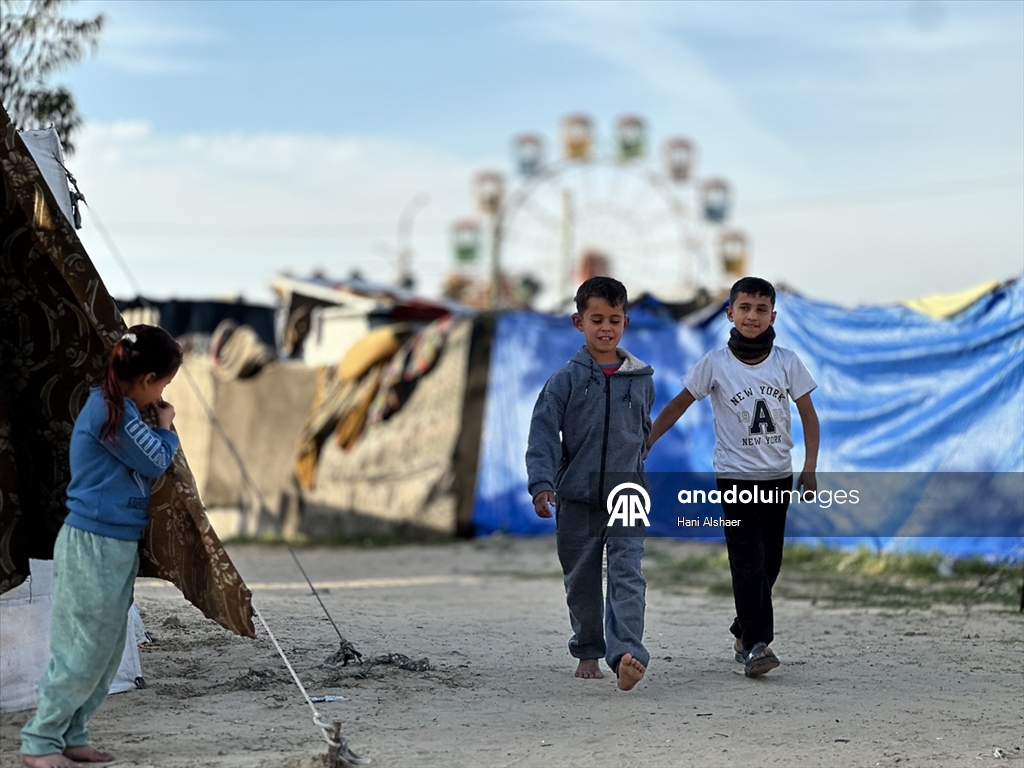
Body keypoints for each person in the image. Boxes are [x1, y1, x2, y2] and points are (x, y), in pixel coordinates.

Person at [21, 325, 182, 768]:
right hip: (92, 541)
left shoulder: (123, 409)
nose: (163, 393)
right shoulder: (111, 413)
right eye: (164, 384)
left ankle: (73, 732)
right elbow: (154, 459)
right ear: (149, 379)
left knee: (108, 647)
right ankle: (41, 739)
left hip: (116, 542)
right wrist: (168, 429)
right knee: (82, 646)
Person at [647, 277, 819, 678]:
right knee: (747, 560)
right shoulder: (714, 364)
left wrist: (809, 468)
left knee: (770, 564)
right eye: (744, 308)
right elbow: (678, 404)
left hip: (778, 476)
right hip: (735, 478)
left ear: (773, 315)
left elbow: (809, 416)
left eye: (761, 310)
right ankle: (758, 646)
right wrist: (649, 441)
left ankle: (743, 629)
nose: (752, 316)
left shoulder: (787, 362)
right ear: (730, 313)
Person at [526, 276, 654, 691]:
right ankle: (587, 650)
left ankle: (627, 656)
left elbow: (643, 431)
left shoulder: (641, 379)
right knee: (581, 579)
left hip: (627, 495)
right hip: (576, 496)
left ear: (625, 322)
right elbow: (543, 434)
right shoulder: (565, 380)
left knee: (627, 574)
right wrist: (542, 483)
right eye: (596, 319)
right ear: (578, 322)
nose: (606, 327)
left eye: (614, 319)